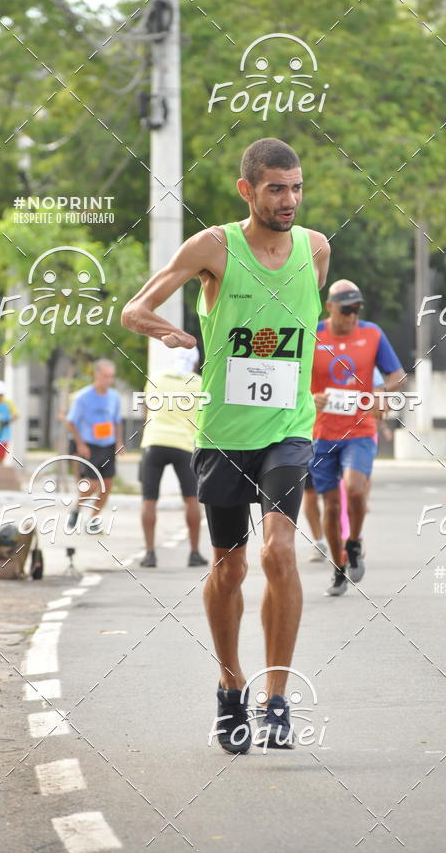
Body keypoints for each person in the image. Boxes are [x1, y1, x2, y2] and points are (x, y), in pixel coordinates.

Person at [122, 137, 330, 752]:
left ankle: (276, 698)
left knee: (279, 551)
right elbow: (135, 309)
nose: (288, 199)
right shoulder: (215, 246)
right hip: (222, 433)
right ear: (247, 190)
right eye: (275, 188)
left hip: (290, 427)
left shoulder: (315, 249)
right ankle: (229, 684)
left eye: (295, 187)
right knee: (229, 564)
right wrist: (169, 330)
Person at [310, 280, 405, 596]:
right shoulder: (313, 335)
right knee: (331, 505)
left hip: (360, 429)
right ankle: (338, 568)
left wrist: (382, 393)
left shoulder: (372, 334)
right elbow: (290, 377)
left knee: (353, 488)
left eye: (356, 309)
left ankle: (353, 544)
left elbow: (397, 375)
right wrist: (310, 397)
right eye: (345, 309)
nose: (351, 316)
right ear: (330, 307)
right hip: (321, 432)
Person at [138, 345, 208, 569]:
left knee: (149, 499)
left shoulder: (155, 379)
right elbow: (203, 418)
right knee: (191, 499)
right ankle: (194, 553)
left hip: (154, 442)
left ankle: (149, 554)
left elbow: (146, 411)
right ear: (195, 363)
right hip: (183, 445)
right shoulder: (198, 383)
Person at [66, 359, 123, 532]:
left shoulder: (114, 397)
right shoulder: (83, 397)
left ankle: (93, 520)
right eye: (105, 376)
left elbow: (117, 421)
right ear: (96, 375)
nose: (108, 380)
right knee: (92, 485)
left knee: (107, 486)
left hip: (108, 445)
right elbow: (70, 422)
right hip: (89, 446)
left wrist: (119, 442)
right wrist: (80, 444)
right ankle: (77, 507)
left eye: (111, 377)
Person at [302, 471, 329, 562]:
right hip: (309, 457)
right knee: (310, 492)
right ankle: (319, 542)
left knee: (332, 496)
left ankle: (345, 541)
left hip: (332, 457)